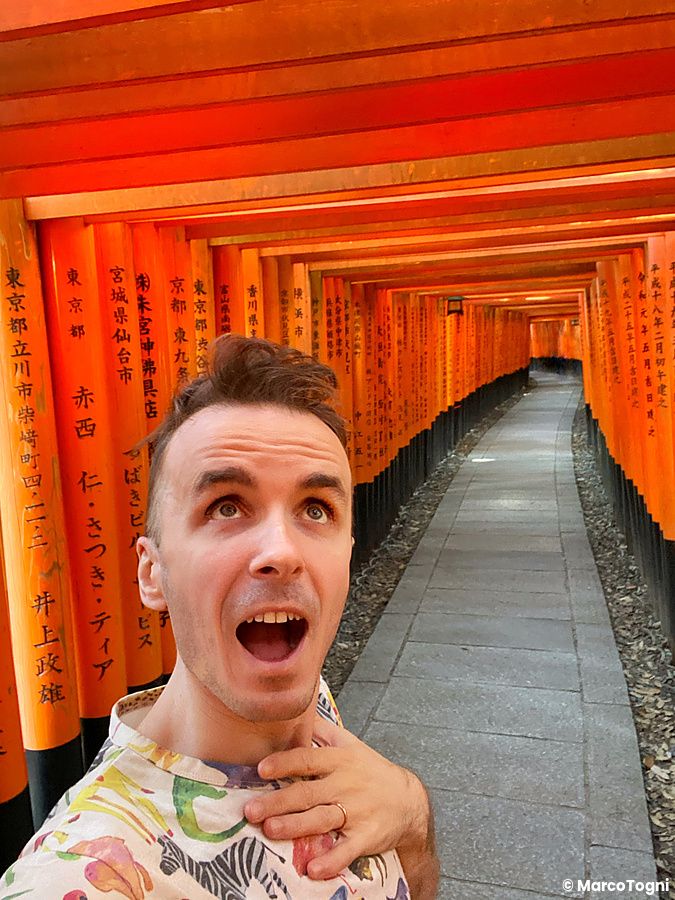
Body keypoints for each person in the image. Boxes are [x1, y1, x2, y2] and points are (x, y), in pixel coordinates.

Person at [1, 335, 438, 899]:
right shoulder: (82, 872)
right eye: (226, 506)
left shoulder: (317, 709)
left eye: (316, 508)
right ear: (151, 574)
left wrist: (412, 814)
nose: (282, 551)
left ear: (347, 558)